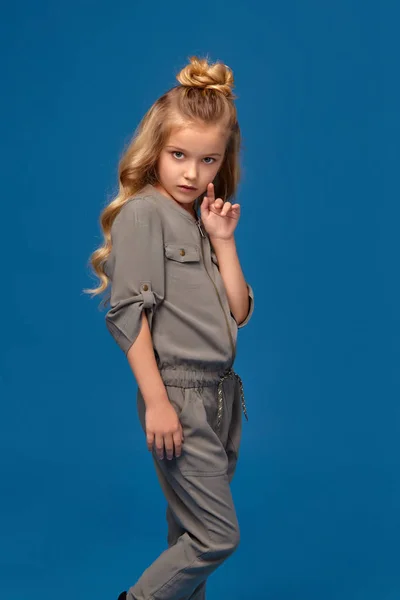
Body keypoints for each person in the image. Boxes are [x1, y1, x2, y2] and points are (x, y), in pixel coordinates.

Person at [85, 55, 255, 600]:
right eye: (178, 155)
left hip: (221, 396)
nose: (191, 172)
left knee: (189, 531)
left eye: (208, 160)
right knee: (215, 536)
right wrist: (157, 401)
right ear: (154, 149)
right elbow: (127, 313)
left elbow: (239, 311)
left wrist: (223, 240)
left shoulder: (201, 218)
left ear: (223, 160)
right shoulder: (143, 214)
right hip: (177, 393)